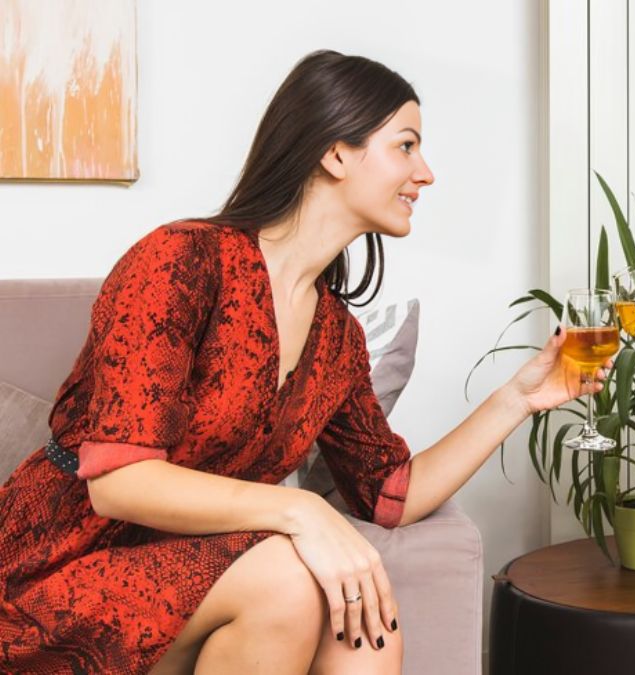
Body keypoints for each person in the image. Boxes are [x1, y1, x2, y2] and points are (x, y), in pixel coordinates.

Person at [0, 50, 601, 674]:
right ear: (335, 153)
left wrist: (520, 397)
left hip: (202, 580)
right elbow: (119, 482)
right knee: (291, 577)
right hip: (49, 573)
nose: (425, 173)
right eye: (406, 146)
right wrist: (302, 511)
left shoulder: (336, 336)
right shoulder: (182, 260)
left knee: (367, 624)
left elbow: (390, 495)